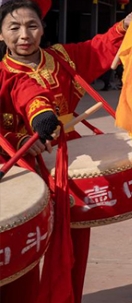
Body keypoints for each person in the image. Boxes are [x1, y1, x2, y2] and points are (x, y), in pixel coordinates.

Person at [0, 0, 132, 302]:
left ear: (43, 28)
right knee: (28, 242)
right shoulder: (5, 74)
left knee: (74, 240)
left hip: (68, 160)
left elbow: (96, 49)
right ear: (1, 34)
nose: (24, 35)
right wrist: (25, 134)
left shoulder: (60, 58)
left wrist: (125, 26)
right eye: (14, 27)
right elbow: (30, 96)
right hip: (22, 164)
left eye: (32, 25)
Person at [0, 71, 60, 303]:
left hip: (7, 169)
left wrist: (41, 115)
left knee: (18, 279)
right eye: (14, 29)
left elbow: (25, 88)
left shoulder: (6, 76)